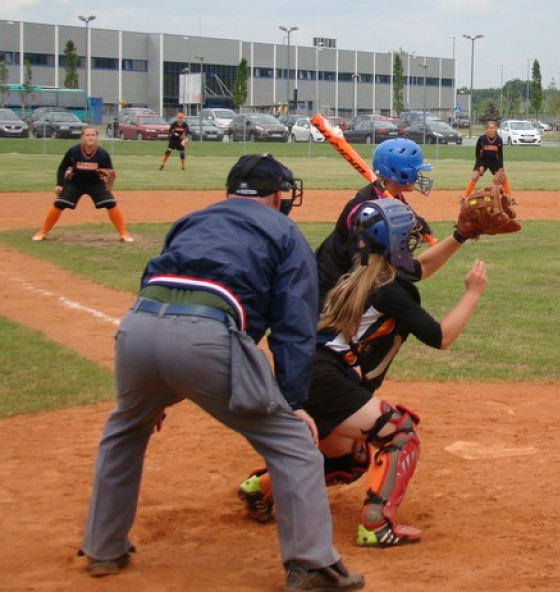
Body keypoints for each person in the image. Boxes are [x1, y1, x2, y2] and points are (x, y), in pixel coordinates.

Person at [78, 154, 364, 590]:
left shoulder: (192, 220)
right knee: (294, 445)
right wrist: (294, 402)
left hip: (137, 329)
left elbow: (156, 277)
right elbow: (293, 327)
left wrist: (149, 394)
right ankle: (311, 565)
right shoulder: (285, 231)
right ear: (276, 195)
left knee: (124, 430)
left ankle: (103, 548)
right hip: (205, 337)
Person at [238, 198, 488, 548]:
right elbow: (441, 337)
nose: (411, 243)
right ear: (396, 245)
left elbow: (420, 269)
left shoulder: (360, 275)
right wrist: (473, 292)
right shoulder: (391, 291)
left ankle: (262, 488)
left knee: (350, 460)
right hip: (324, 379)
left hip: (306, 376)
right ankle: (376, 523)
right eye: (406, 238)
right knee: (401, 432)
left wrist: (459, 235)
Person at [315, 138, 451, 312]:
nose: (418, 176)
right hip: (329, 284)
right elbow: (366, 262)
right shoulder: (365, 208)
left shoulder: (391, 197)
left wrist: (416, 222)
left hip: (352, 282)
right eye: (415, 171)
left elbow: (404, 214)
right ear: (398, 173)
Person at [32, 126, 133, 243]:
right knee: (59, 203)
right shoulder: (74, 151)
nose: (90, 137)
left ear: (97, 138)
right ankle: (43, 232)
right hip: (75, 182)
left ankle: (123, 234)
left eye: (93, 135)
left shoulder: (102, 154)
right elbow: (62, 168)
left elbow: (110, 172)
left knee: (110, 203)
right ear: (82, 138)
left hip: (96, 183)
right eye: (87, 135)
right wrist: (60, 184)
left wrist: (107, 180)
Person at [464, 119, 510, 197]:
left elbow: (500, 155)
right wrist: (480, 165)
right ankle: (465, 197)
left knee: (503, 177)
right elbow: (477, 154)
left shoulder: (499, 140)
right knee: (474, 177)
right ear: (486, 129)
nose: (491, 130)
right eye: (489, 128)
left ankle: (510, 198)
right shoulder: (482, 139)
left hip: (494, 162)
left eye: (493, 128)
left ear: (495, 129)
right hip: (483, 161)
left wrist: (501, 167)